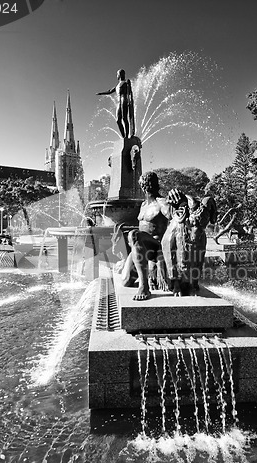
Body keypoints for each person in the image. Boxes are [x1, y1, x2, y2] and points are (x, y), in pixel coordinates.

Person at [121, 171, 171, 300]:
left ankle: (144, 288)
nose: (147, 187)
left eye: (150, 184)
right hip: (141, 246)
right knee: (126, 281)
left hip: (155, 245)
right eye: (146, 184)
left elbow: (174, 217)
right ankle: (147, 276)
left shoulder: (162, 202)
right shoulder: (143, 205)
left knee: (134, 234)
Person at [96, 69, 134, 139]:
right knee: (118, 120)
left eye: (118, 74)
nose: (117, 75)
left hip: (124, 100)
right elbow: (109, 91)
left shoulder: (126, 83)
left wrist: (130, 102)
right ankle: (123, 137)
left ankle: (126, 136)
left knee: (124, 118)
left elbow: (130, 93)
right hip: (119, 103)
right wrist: (101, 93)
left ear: (120, 74)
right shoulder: (117, 86)